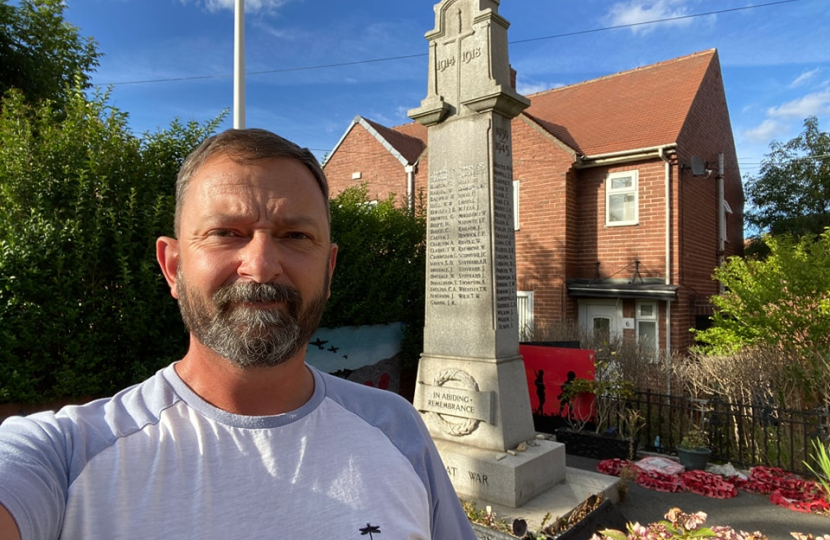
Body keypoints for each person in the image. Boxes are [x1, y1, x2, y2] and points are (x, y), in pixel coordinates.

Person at [0, 128, 477, 540]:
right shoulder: (63, 456)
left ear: (329, 270)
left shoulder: (397, 428)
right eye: (226, 232)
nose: (263, 266)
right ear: (173, 266)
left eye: (295, 236)